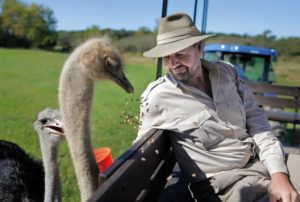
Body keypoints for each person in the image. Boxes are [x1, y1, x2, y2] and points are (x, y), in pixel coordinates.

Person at [134, 12, 300, 202]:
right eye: (166, 57)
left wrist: (278, 174)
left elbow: (256, 120)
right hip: (225, 185)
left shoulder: (226, 73)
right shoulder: (157, 97)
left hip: (260, 160)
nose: (173, 64)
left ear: (199, 48)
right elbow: (141, 150)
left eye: (180, 54)